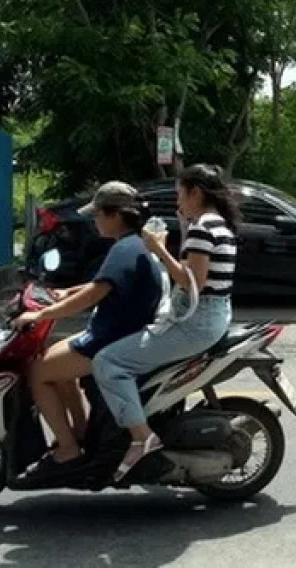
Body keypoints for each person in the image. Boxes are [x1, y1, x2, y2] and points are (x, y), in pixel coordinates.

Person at [92, 164, 240, 481]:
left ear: (195, 193)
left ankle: (142, 436)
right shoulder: (218, 225)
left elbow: (192, 283)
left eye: (180, 196)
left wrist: (158, 249)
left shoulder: (203, 228)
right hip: (211, 317)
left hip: (196, 324)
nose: (178, 204)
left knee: (108, 362)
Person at [12, 182, 162, 472]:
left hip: (110, 338)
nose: (94, 221)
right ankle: (80, 435)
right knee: (51, 359)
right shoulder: (132, 244)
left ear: (114, 215)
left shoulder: (124, 249)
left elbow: (94, 295)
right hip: (114, 330)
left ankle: (68, 450)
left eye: (98, 215)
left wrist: (41, 316)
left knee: (37, 373)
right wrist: (68, 292)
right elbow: (102, 285)